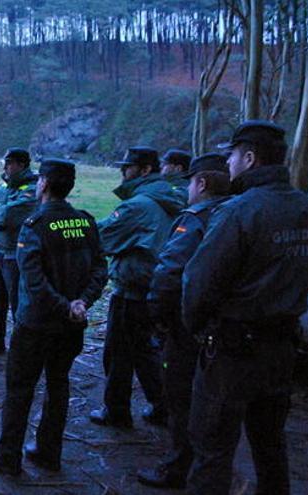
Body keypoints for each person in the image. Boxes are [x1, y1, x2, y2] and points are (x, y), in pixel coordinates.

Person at [183, 121, 308, 494]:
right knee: (270, 445)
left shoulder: (238, 212)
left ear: (248, 158)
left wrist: (197, 328)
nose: (228, 164)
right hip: (281, 349)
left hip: (233, 350)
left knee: (212, 450)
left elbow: (199, 283)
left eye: (231, 155)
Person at [0, 158, 107, 476]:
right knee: (58, 384)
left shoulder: (35, 225)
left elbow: (34, 281)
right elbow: (100, 270)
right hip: (71, 325)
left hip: (36, 324)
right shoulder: (85, 222)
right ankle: (49, 452)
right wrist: (81, 303)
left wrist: (67, 305)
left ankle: (8, 455)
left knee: (20, 387)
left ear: (44, 185)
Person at [136, 153, 230, 489]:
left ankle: (176, 467)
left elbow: (169, 273)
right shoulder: (234, 213)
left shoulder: (196, 218)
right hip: (220, 326)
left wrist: (158, 316)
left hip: (186, 325)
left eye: (191, 182)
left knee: (180, 397)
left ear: (201, 184)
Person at [90, 146, 186, 428]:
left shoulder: (138, 205)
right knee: (144, 351)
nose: (123, 171)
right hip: (157, 287)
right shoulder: (172, 195)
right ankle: (162, 404)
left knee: (119, 352)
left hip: (133, 288)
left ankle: (117, 411)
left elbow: (101, 237)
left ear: (145, 170)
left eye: (128, 167)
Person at [0, 148, 39, 355]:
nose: (5, 167)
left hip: (16, 254)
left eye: (9, 162)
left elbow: (11, 215)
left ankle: (22, 345)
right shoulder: (2, 186)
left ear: (22, 165)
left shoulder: (32, 188)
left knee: (17, 301)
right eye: (5, 162)